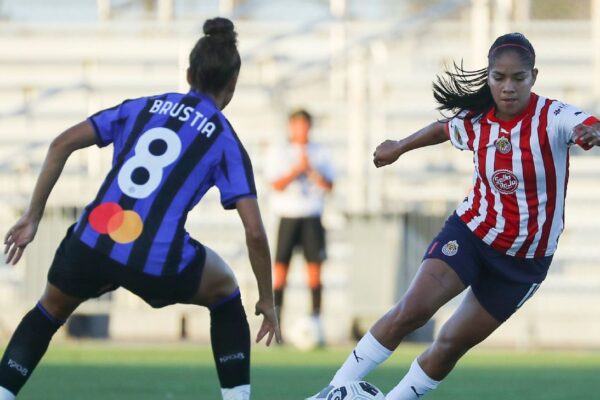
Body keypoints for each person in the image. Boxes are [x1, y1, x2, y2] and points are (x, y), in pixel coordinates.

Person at [307, 32, 600, 400]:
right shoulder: (477, 118)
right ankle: (332, 391)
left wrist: (592, 133)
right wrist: (399, 147)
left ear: (534, 77)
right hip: (472, 233)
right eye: (499, 77)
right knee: (411, 311)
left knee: (449, 344)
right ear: (489, 76)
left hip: (523, 262)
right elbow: (443, 129)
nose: (508, 87)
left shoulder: (553, 117)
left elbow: (591, 125)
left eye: (518, 78)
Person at [0, 17, 280, 400]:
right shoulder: (225, 138)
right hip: (157, 258)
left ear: (188, 73)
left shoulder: (142, 107)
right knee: (226, 289)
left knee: (48, 310)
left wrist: (32, 217)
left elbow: (61, 144)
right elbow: (254, 231)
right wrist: (267, 297)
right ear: (232, 87)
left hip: (93, 238)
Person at [265, 109, 334, 343]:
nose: (301, 131)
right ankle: (277, 327)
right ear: (291, 127)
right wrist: (296, 170)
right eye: (297, 126)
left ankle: (316, 324)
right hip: (287, 216)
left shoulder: (320, 152)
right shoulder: (279, 151)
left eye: (305, 126)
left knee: (314, 274)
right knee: (280, 273)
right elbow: (276, 184)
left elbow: (329, 185)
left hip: (312, 217)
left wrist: (311, 171)